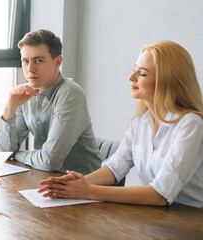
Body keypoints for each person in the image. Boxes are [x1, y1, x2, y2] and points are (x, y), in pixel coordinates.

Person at [38, 40, 203, 208]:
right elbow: (116, 167)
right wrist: (75, 184)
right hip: (160, 217)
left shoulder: (191, 125)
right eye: (134, 70)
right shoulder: (141, 121)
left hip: (192, 220)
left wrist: (88, 191)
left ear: (167, 81)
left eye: (143, 74)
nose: (131, 77)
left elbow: (160, 194)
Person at [0, 29, 101, 174]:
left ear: (57, 62)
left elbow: (50, 161)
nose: (30, 69)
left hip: (83, 188)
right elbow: (3, 154)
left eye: (38, 60)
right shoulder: (26, 94)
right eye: (25, 61)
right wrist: (9, 109)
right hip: (46, 179)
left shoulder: (70, 94)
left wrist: (17, 154)